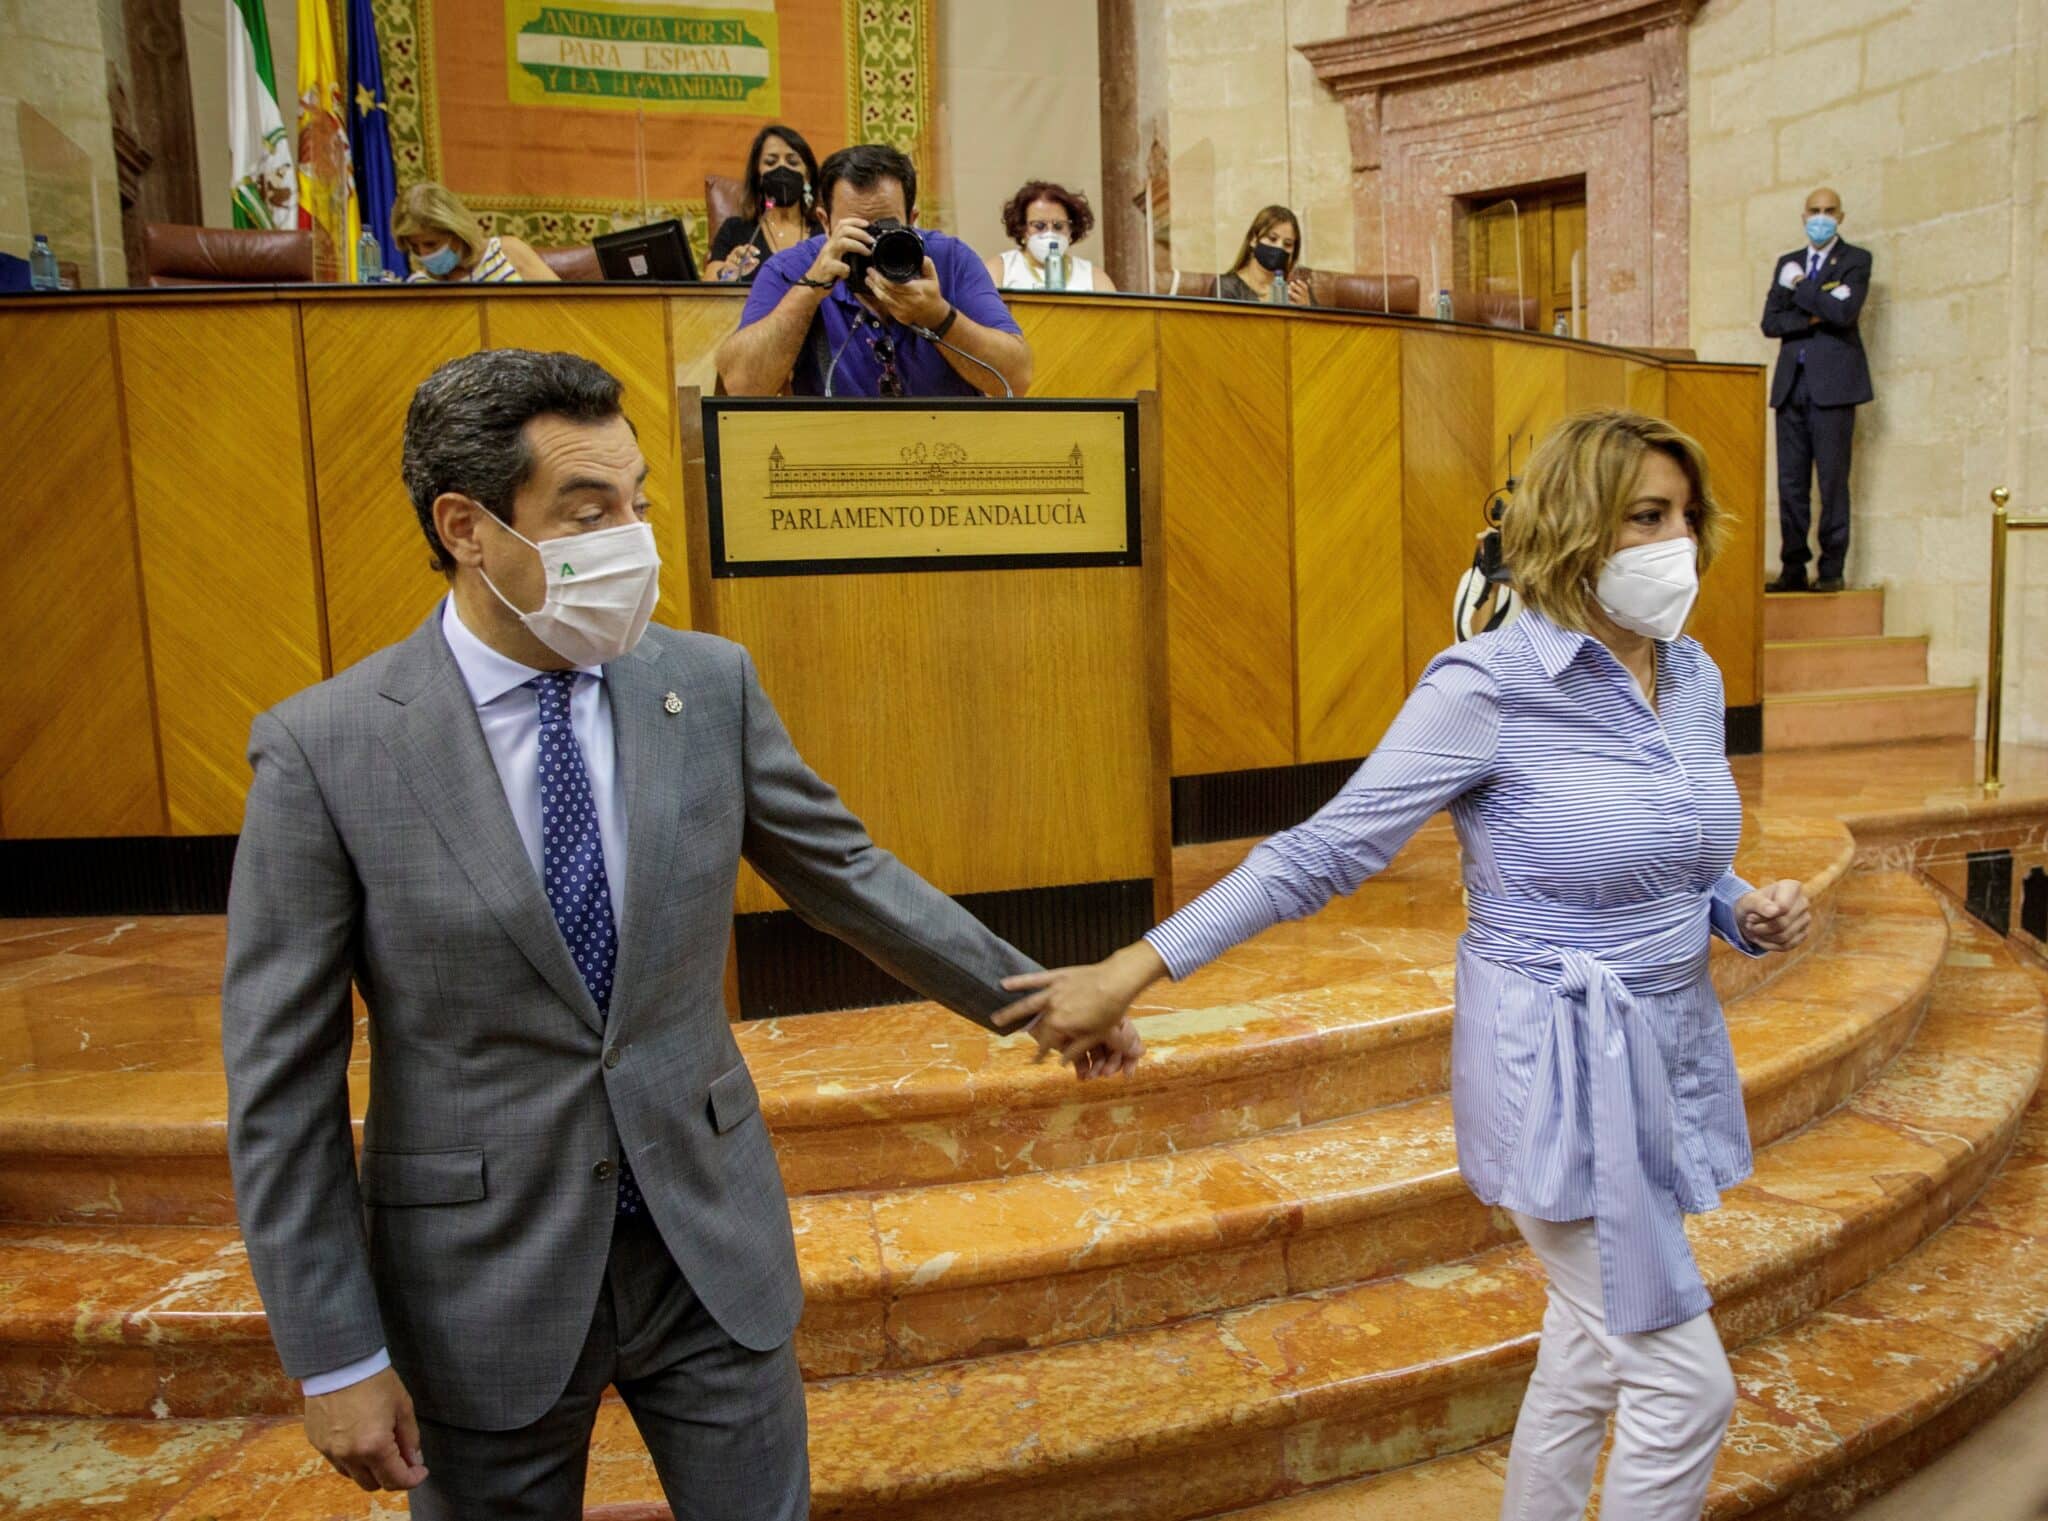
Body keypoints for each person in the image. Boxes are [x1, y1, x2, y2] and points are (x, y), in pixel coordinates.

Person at [221, 348, 1138, 1517]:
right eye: (586, 510)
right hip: (480, 1277)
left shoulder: (704, 686)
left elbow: (843, 873)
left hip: (705, 1242)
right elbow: (279, 1084)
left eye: (639, 501)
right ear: (466, 525)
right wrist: (336, 1353)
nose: (631, 539)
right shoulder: (325, 749)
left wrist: (1035, 997)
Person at [995, 408, 1815, 1521]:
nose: (1676, 542)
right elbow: (1319, 853)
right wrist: (1132, 968)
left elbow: (1672, 844)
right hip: (1555, 1064)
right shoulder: (1484, 686)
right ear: (1575, 529)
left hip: (1665, 1044)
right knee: (1683, 1390)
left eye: (1682, 516)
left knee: (1582, 1354)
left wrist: (1739, 910)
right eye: (1643, 517)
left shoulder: (1690, 676)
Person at [715, 143, 1033, 397]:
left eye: (886, 226)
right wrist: (810, 290)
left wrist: (939, 316)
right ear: (825, 223)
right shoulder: (793, 268)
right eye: (856, 230)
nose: (872, 243)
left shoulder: (950, 260)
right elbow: (742, 386)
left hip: (946, 454)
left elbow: (1016, 380)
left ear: (913, 218)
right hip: (833, 455)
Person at [1761, 186, 1872, 593]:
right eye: (1814, 210)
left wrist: (1802, 288)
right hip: (1792, 387)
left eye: (1828, 210)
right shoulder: (1785, 262)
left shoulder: (1856, 260)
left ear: (1841, 216)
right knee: (1791, 483)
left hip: (1834, 388)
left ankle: (1830, 568)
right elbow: (1771, 322)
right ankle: (1793, 567)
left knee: (1831, 481)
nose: (1821, 217)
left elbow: (1844, 312)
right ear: (1802, 215)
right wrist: (1814, 311)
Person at [704, 124, 825, 283]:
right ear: (758, 176)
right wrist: (727, 273)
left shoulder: (825, 230)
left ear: (808, 175)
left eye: (792, 162)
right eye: (770, 162)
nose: (782, 168)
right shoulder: (735, 229)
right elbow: (708, 288)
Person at [393, 181, 559, 284]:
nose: (424, 254)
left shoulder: (508, 252)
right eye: (414, 247)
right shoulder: (420, 284)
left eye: (431, 244)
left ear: (457, 232)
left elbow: (564, 309)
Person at [984, 180, 1114, 292]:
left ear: (1071, 231)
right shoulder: (1000, 269)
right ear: (1022, 229)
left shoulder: (1093, 276)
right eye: (1039, 226)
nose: (1050, 233)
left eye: (1058, 226)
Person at [1217, 205, 1310, 305]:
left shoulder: (1296, 290)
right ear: (1253, 239)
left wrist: (1306, 310)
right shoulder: (1226, 287)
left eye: (1287, 244)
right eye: (1272, 238)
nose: (1279, 247)